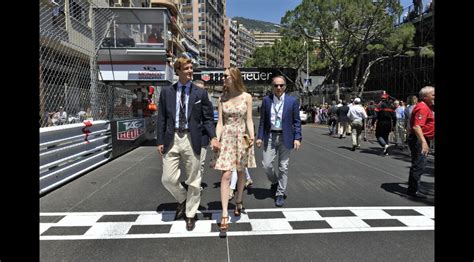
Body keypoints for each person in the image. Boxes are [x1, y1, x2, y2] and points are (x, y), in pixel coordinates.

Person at [156, 57, 219, 231]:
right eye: (187, 68)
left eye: (191, 68)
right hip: (172, 137)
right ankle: (184, 199)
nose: (191, 71)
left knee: (194, 179)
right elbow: (161, 118)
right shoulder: (167, 92)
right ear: (178, 71)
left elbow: (207, 118)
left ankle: (190, 214)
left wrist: (213, 137)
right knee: (168, 178)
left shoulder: (200, 93)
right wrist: (160, 140)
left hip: (193, 138)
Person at [210, 67, 256, 232]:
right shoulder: (222, 99)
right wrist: (216, 138)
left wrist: (252, 136)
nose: (223, 79)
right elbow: (220, 123)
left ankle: (238, 199)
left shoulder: (247, 97)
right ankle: (224, 213)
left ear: (234, 78)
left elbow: (249, 120)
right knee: (226, 174)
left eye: (225, 76)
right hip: (227, 138)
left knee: (241, 171)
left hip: (242, 137)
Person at [256, 75, 302, 207]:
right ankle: (275, 182)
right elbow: (263, 121)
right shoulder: (266, 100)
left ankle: (280, 193)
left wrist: (297, 138)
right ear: (272, 87)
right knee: (266, 165)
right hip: (270, 136)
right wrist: (259, 137)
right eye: (276, 85)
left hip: (286, 136)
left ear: (285, 87)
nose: (279, 88)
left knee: (283, 167)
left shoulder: (292, 101)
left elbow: (297, 122)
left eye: (281, 85)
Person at [406, 86, 434, 199]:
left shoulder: (427, 107)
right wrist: (423, 142)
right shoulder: (422, 108)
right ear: (425, 96)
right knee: (419, 164)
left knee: (419, 164)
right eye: (433, 94)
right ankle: (413, 190)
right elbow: (417, 126)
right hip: (419, 139)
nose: (434, 97)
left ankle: (414, 188)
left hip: (421, 138)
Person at [193, 80, 210, 192]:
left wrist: (213, 137)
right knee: (192, 163)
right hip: (190, 137)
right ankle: (192, 182)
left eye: (202, 89)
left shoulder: (207, 104)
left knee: (201, 163)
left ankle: (197, 185)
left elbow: (209, 121)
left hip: (203, 137)